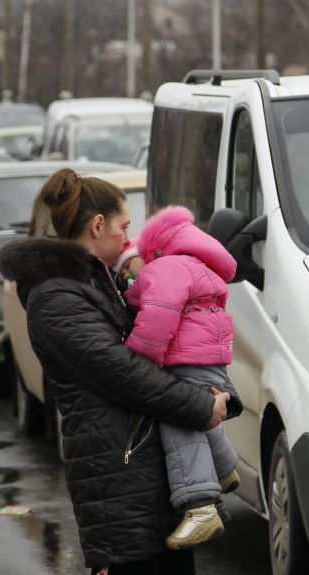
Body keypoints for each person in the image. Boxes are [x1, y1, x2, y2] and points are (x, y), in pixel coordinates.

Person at [0, 169, 232, 575]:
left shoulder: (95, 279)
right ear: (97, 224)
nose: (128, 239)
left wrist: (209, 388)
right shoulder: (56, 296)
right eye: (124, 227)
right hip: (119, 486)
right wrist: (199, 406)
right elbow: (123, 374)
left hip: (142, 477)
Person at [115, 206, 244, 550]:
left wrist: (136, 357)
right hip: (205, 358)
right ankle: (224, 467)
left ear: (148, 254)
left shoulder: (165, 267)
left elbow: (159, 318)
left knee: (179, 420)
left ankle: (200, 505)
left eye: (129, 266)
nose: (130, 276)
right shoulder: (191, 264)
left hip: (188, 357)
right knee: (199, 414)